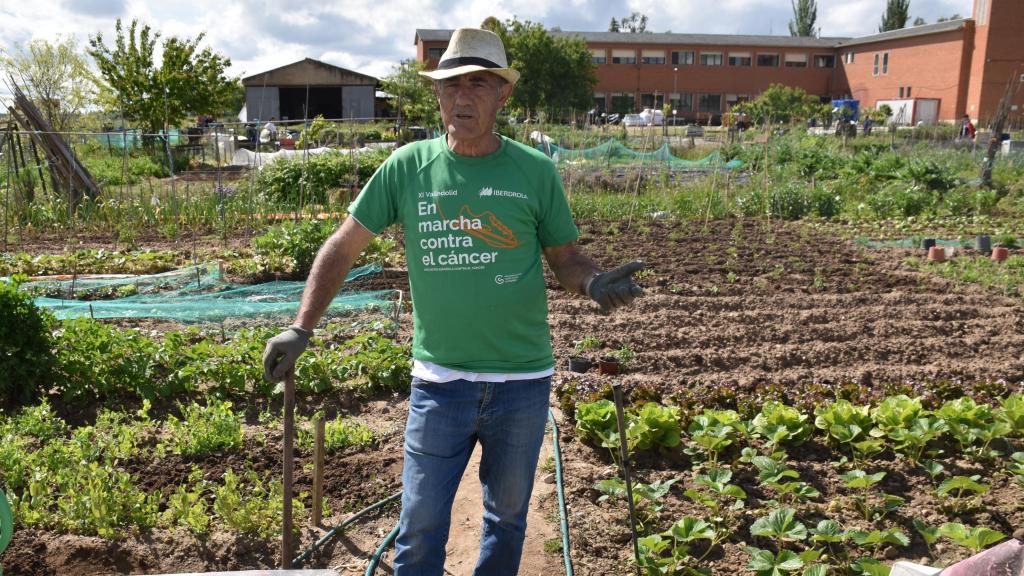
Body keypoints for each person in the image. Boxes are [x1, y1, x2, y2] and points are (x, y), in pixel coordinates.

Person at [262, 27, 643, 576]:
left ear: (502, 95)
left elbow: (564, 258)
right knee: (418, 530)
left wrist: (593, 282)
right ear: (436, 94)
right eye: (451, 85)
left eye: (479, 84)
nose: (463, 97)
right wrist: (302, 326)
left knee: (507, 519)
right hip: (439, 385)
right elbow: (342, 248)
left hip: (522, 384)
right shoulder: (407, 168)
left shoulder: (534, 172)